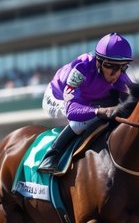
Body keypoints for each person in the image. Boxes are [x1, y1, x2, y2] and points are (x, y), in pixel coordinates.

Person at [37, 32, 133, 173]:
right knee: (83, 121)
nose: (116, 73)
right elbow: (72, 110)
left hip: (88, 99)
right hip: (57, 98)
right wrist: (98, 111)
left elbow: (135, 101)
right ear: (98, 61)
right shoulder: (81, 68)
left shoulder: (120, 76)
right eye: (110, 66)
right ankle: (51, 156)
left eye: (122, 67)